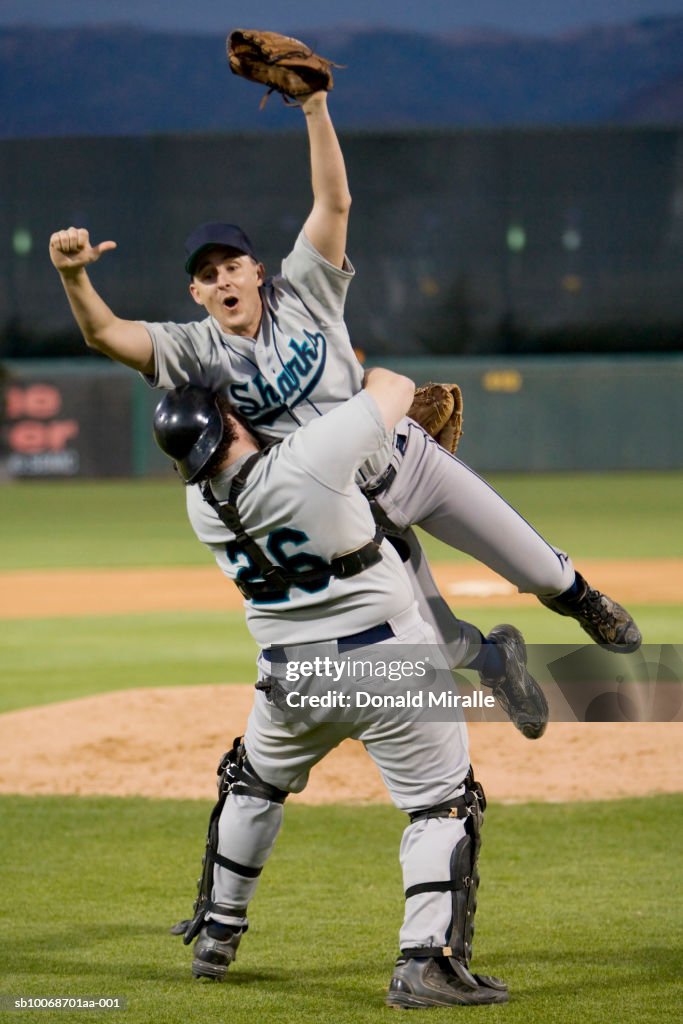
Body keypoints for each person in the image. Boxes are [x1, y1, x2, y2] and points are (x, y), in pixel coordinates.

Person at [48, 88, 640, 737]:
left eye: (231, 266)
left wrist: (313, 109)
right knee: (435, 649)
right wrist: (75, 277)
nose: (222, 281)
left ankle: (585, 602)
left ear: (257, 271)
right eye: (207, 274)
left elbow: (334, 202)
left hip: (409, 465)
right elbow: (106, 335)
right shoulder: (193, 349)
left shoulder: (305, 291)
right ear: (194, 291)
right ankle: (496, 660)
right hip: (350, 519)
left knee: (539, 571)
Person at [152, 368, 536, 1006]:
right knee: (442, 806)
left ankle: (217, 932)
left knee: (254, 782)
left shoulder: (203, 504)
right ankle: (424, 966)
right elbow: (391, 384)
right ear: (231, 420)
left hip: (288, 679)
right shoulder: (308, 456)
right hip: (386, 664)